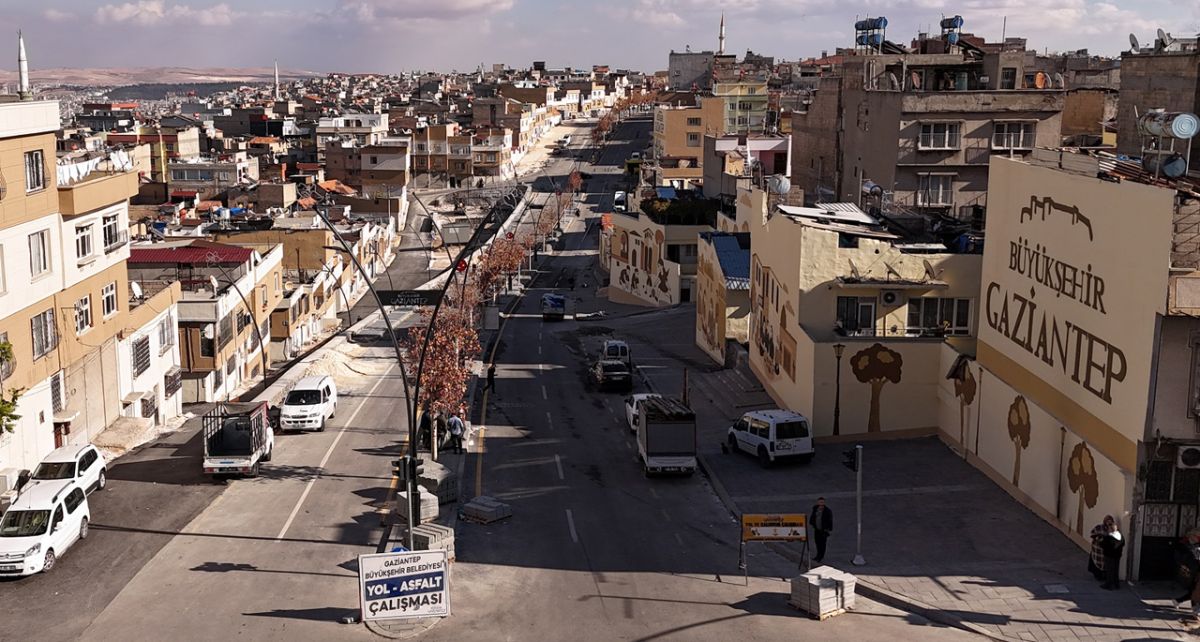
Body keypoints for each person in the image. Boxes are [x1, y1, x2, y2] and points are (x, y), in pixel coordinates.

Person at [1100, 517, 1125, 590]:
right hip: (1117, 556)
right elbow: (1123, 543)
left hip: (1109, 556)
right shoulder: (1120, 536)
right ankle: (1116, 584)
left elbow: (1103, 545)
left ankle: (1109, 584)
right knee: (1116, 570)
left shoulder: (1108, 538)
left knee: (1109, 570)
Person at [1088, 515, 1114, 581]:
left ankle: (1104, 576)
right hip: (1097, 549)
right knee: (1095, 564)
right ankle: (1097, 575)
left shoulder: (1112, 529)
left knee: (1105, 564)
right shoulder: (1099, 527)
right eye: (1107, 521)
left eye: (1110, 522)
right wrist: (1098, 538)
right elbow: (1092, 534)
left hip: (1105, 551)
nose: (1109, 523)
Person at [810, 497, 834, 564]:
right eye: (820, 502)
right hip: (817, 529)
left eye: (822, 502)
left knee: (822, 544)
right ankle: (817, 555)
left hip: (823, 530)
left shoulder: (827, 511)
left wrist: (828, 529)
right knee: (817, 543)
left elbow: (830, 520)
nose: (821, 503)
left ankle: (820, 556)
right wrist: (812, 523)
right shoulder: (815, 509)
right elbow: (813, 517)